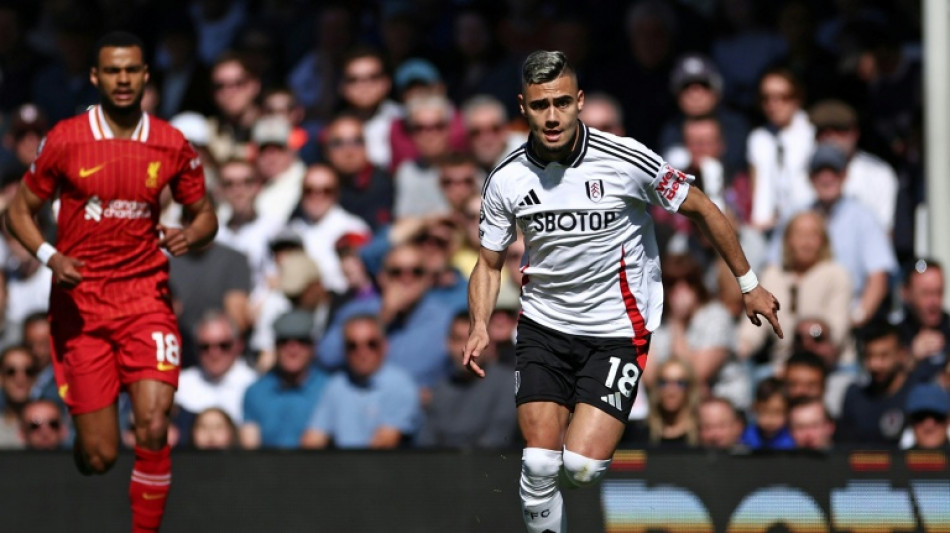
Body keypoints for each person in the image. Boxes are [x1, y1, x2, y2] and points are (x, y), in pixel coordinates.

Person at [464, 51, 782, 533]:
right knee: (540, 464)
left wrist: (749, 284)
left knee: (580, 469)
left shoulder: (626, 158)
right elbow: (488, 263)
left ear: (580, 101)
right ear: (523, 107)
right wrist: (479, 325)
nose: (552, 116)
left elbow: (701, 207)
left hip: (616, 330)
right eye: (540, 105)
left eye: (562, 102)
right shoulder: (506, 177)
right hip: (544, 325)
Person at [4, 31, 217, 533]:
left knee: (154, 424)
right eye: (114, 71)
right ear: (96, 77)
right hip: (82, 306)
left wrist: (192, 234)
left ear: (146, 76)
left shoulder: (171, 142)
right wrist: (51, 256)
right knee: (101, 456)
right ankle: (87, 440)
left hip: (146, 299)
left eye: (132, 70)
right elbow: (18, 211)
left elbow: (205, 214)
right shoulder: (66, 139)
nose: (123, 79)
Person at [301, 314, 420, 449]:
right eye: (352, 346)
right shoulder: (337, 385)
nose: (362, 352)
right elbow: (313, 439)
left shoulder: (400, 385)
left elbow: (384, 445)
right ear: (343, 350)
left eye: (371, 344)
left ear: (385, 346)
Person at [417, 312, 519, 449]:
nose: (465, 348)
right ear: (447, 343)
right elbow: (427, 443)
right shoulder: (440, 389)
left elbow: (497, 440)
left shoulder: (509, 384)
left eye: (473, 340)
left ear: (490, 344)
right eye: (458, 339)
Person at [240, 310, 329, 449]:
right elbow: (250, 449)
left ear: (313, 346)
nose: (292, 350)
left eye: (302, 341)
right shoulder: (255, 392)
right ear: (275, 346)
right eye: (284, 342)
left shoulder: (328, 390)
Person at [175, 311, 257, 424]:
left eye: (223, 345)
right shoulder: (180, 385)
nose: (214, 353)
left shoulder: (253, 385)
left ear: (239, 345)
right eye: (205, 347)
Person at [740, 377, 795, 450]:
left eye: (777, 412)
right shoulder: (747, 436)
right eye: (764, 411)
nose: (770, 418)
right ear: (755, 408)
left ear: (788, 412)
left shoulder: (792, 439)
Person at [901, 383, 950, 451]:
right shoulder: (896, 457)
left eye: (937, 416)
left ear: (948, 420)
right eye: (920, 417)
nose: (928, 426)